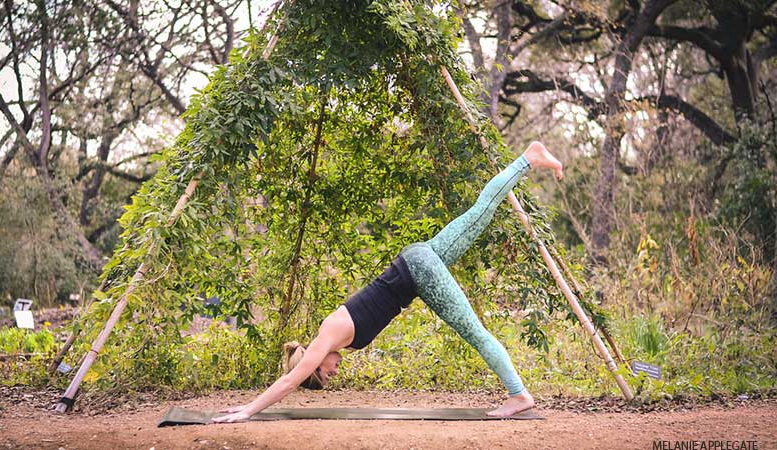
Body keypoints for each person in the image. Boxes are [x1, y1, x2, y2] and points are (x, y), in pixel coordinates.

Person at [213, 141, 564, 423]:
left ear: (314, 364)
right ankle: (527, 159)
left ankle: (519, 394)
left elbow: (289, 381)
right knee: (478, 215)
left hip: (418, 273)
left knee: (475, 332)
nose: (333, 374)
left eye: (324, 375)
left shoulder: (326, 336)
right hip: (417, 262)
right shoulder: (334, 335)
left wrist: (248, 409)